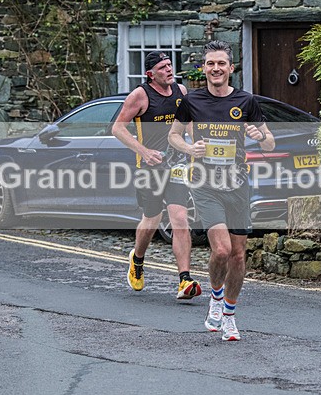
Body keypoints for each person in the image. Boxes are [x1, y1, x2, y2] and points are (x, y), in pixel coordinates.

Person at [168, 40, 275, 341]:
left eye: (221, 64)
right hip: (205, 183)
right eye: (210, 64)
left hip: (238, 185)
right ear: (204, 69)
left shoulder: (246, 101)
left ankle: (229, 314)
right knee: (222, 250)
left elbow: (270, 143)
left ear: (231, 68)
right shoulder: (192, 102)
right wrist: (190, 147)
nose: (216, 69)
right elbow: (174, 136)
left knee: (239, 256)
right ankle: (215, 297)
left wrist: (259, 134)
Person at [112, 51, 202, 300]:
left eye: (170, 65)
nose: (169, 70)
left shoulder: (181, 92)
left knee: (180, 219)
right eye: (163, 67)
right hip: (149, 167)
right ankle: (137, 258)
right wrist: (143, 151)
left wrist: (197, 147)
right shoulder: (140, 95)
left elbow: (190, 124)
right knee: (151, 219)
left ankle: (184, 280)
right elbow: (118, 128)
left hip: (177, 166)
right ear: (150, 74)